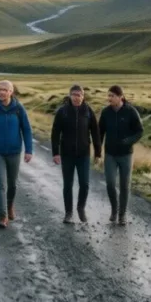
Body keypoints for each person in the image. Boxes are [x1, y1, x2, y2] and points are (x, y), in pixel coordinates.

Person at [0, 80, 33, 229]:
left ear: (11, 92)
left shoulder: (18, 109)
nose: (1, 92)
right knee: (0, 184)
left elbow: (27, 130)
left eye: (5, 90)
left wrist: (29, 150)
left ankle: (10, 206)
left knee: (12, 184)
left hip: (14, 152)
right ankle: (2, 216)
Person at [51, 84, 101, 224]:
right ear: (70, 96)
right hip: (67, 154)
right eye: (74, 94)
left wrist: (97, 152)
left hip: (84, 154)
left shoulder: (88, 111)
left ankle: (81, 208)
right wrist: (56, 152)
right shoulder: (63, 111)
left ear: (83, 96)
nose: (76, 97)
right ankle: (68, 213)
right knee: (68, 184)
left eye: (79, 94)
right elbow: (55, 133)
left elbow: (95, 132)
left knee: (84, 184)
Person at [98, 85, 144, 225]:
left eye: (112, 96)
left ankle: (122, 215)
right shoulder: (106, 112)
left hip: (126, 155)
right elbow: (100, 133)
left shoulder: (131, 112)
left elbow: (139, 131)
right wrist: (98, 152)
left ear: (120, 97)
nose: (109, 98)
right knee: (110, 183)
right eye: (109, 95)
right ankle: (114, 209)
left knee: (124, 186)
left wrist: (129, 141)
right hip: (110, 155)